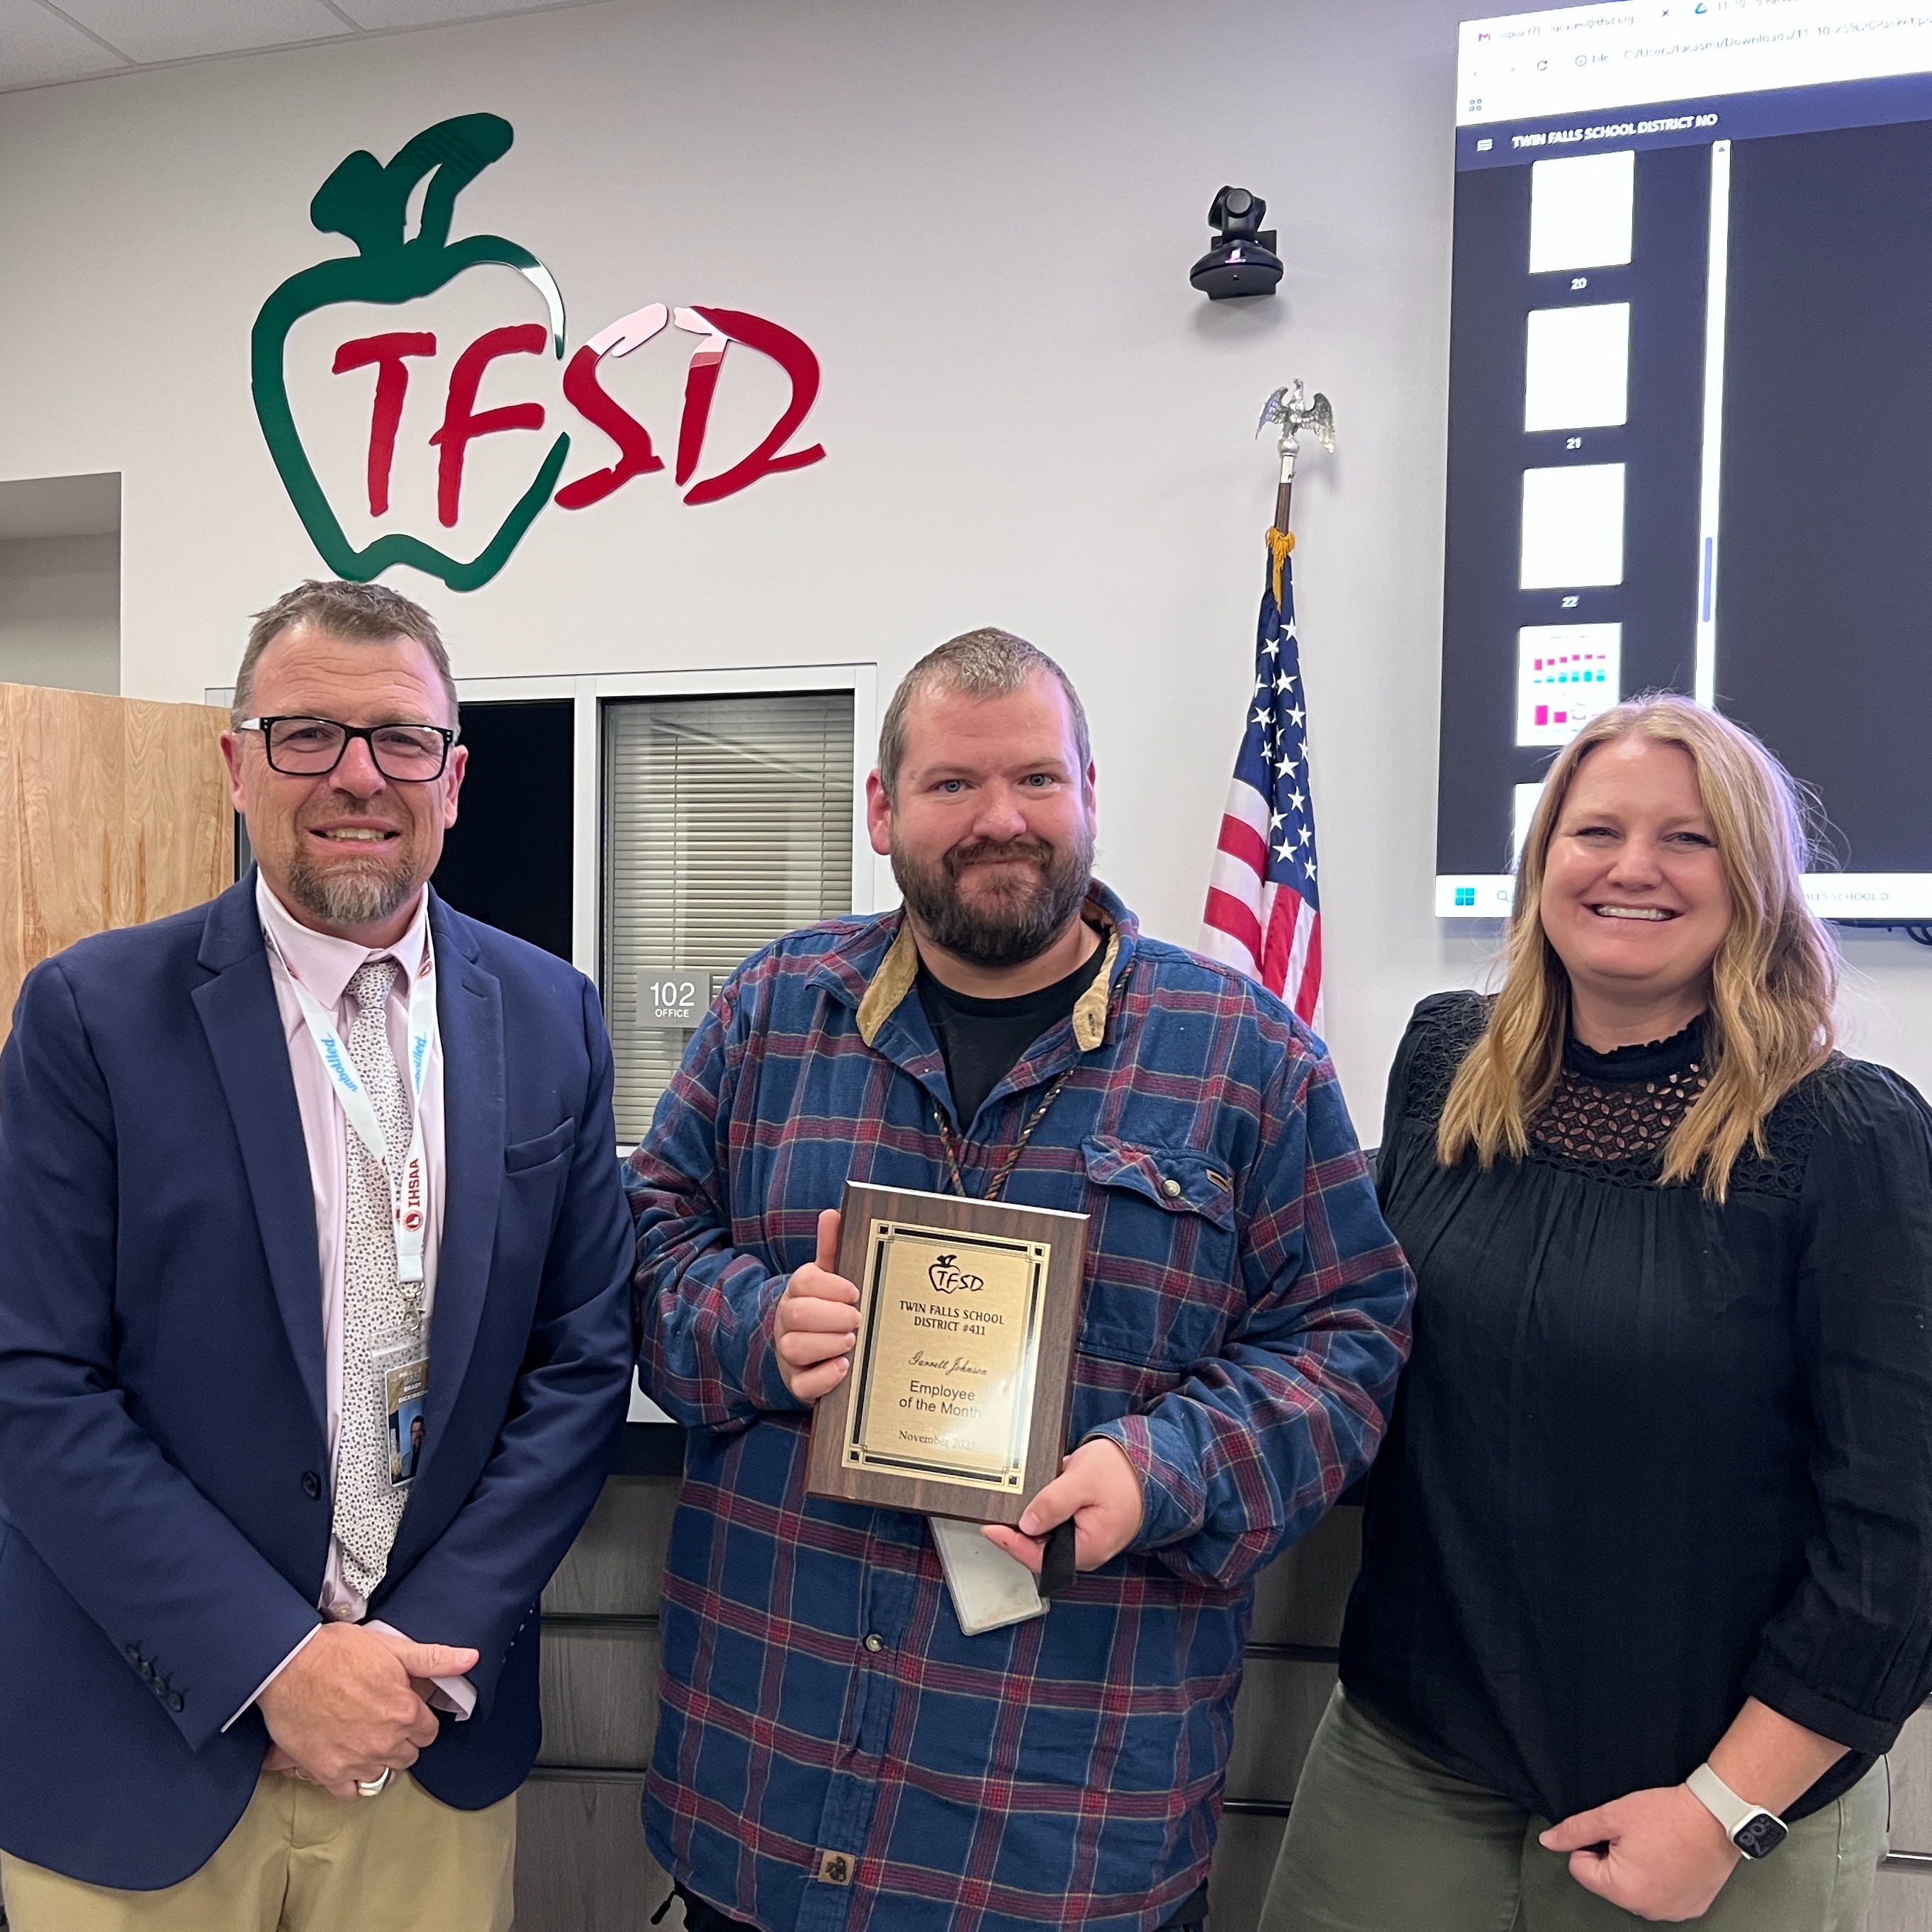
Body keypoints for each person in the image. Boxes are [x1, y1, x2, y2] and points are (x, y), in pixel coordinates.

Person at [627, 627, 1415, 1931]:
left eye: (1037, 778)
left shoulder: (1246, 1059)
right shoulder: (772, 1012)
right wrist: (757, 1325)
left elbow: (1346, 1341)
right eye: (953, 782)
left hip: (1061, 1831)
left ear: (1089, 792)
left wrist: (1162, 1468)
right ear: (882, 809)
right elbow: (644, 1246)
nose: (1001, 817)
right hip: (765, 1792)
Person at [0, 580, 636, 1931]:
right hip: (141, 1747)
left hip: (427, 1738)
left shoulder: (553, 1015)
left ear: (452, 776)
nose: (358, 774)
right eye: (306, 734)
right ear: (237, 766)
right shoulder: (89, 1017)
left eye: (401, 737)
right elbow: (32, 1379)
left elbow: (582, 1363)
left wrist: (404, 1665)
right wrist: (271, 1661)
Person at [1262, 695, 1932, 1932]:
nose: (1632, 867)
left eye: (1687, 839)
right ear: (1542, 859)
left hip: (1716, 1801)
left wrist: (1721, 1811)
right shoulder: (1445, 1066)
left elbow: (1898, 1541)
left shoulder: (1850, 1138)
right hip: (1411, 1754)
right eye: (1596, 831)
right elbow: (1345, 1329)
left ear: (1754, 881)